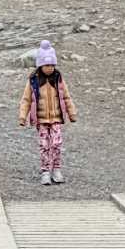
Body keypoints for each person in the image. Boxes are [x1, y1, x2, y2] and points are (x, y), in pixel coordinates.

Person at [18, 41, 77, 186]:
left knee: (56, 143)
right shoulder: (34, 81)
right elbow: (26, 100)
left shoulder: (58, 79)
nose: (50, 68)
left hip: (56, 118)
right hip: (41, 120)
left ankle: (56, 169)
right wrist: (22, 116)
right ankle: (45, 171)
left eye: (52, 65)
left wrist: (72, 113)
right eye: (46, 65)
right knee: (44, 145)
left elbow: (66, 97)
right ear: (40, 66)